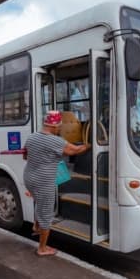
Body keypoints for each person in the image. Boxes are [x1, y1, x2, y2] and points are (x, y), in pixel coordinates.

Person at [23, 110, 90, 256]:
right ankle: (42, 248)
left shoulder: (32, 137)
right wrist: (89, 145)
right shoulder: (56, 141)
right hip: (44, 181)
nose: (60, 128)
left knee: (39, 202)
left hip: (29, 178)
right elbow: (74, 151)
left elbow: (25, 156)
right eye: (59, 126)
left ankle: (36, 226)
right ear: (53, 126)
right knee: (46, 213)